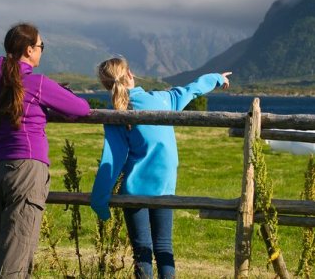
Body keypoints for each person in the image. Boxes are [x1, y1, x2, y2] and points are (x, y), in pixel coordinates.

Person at [90, 56, 232, 278]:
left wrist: (99, 199)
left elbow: (112, 159)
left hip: (134, 191)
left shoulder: (116, 113)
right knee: (164, 248)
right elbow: (191, 90)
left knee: (141, 252)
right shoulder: (163, 100)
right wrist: (216, 78)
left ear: (107, 85)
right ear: (129, 74)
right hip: (165, 188)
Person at [0, 22, 91, 278]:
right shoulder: (37, 82)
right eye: (41, 46)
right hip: (27, 169)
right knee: (16, 258)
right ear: (29, 50)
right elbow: (81, 108)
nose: (42, 51)